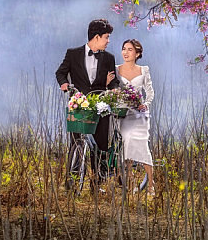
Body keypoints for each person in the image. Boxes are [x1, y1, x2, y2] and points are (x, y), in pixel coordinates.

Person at [56, 19, 118, 185]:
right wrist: (64, 84)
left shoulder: (109, 58)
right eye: (106, 37)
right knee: (76, 142)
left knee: (101, 144)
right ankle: (73, 180)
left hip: (100, 106)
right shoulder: (73, 53)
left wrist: (113, 90)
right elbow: (61, 72)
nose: (108, 41)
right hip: (79, 105)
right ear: (97, 37)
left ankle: (97, 184)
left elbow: (114, 82)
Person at [117, 39, 155, 195]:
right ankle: (132, 183)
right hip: (123, 113)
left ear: (137, 53)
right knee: (126, 144)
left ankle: (151, 184)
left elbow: (150, 92)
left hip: (139, 114)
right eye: (124, 49)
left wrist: (146, 104)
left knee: (142, 146)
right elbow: (111, 89)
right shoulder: (116, 69)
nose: (125, 52)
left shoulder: (143, 70)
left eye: (130, 50)